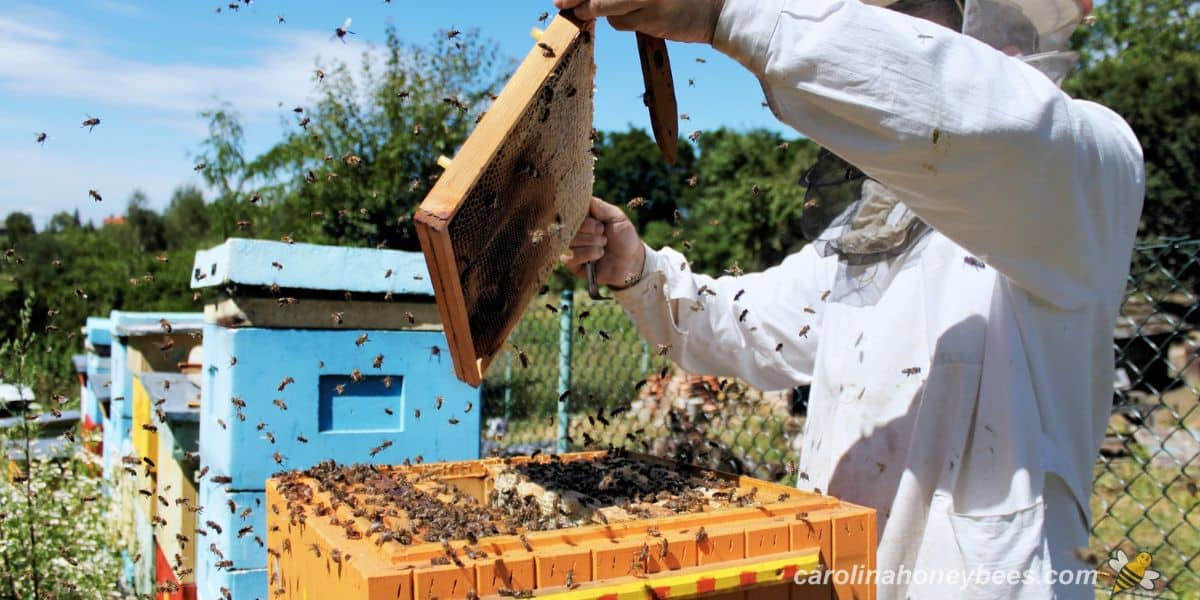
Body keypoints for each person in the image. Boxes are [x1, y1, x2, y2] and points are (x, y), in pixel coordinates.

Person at [559, 0, 1145, 597]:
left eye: (914, 21)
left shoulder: (1092, 163)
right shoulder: (874, 226)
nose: (896, 36)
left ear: (997, 43)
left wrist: (725, 10)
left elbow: (963, 110)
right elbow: (754, 326)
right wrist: (637, 270)